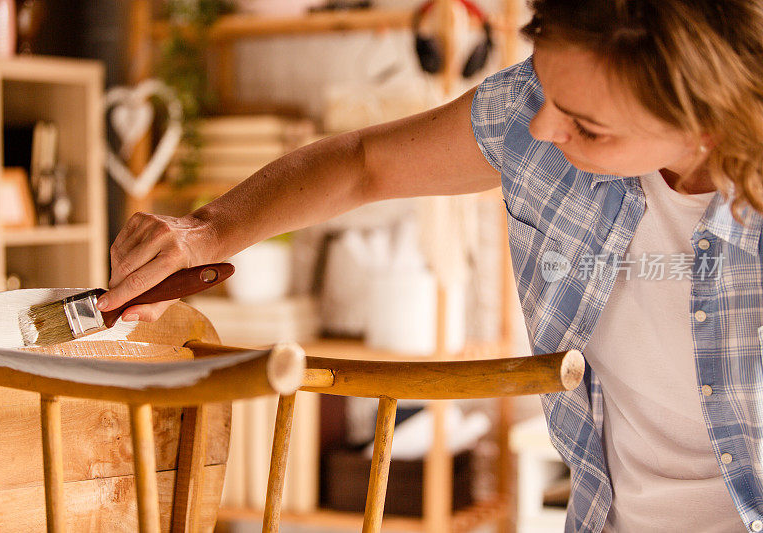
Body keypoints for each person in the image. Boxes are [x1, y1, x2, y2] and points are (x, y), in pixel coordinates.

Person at [102, 1, 763, 531]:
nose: (539, 131)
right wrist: (202, 232)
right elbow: (366, 162)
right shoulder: (540, 110)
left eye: (585, 126)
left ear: (706, 121)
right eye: (546, 89)